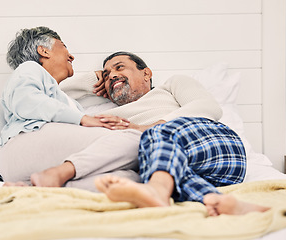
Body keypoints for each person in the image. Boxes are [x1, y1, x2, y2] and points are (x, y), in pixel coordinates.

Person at [87, 51, 270, 216]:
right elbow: (59, 99)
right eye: (106, 76)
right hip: (187, 169)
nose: (112, 75)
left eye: (119, 67)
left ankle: (156, 190)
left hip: (220, 147)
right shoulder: (109, 117)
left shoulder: (170, 86)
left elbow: (208, 107)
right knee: (161, 167)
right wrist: (89, 79)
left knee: (155, 135)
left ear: (146, 73)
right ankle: (216, 200)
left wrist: (146, 127)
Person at [0, 27, 143, 191]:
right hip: (22, 144)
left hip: (32, 163)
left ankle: (36, 187)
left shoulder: (66, 100)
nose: (71, 56)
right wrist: (83, 119)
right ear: (44, 51)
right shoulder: (29, 68)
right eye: (63, 46)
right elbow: (26, 101)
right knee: (136, 141)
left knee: (130, 178)